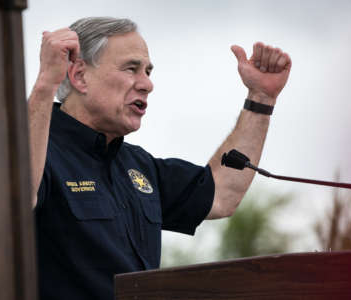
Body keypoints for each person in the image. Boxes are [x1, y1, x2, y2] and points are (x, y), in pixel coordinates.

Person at [28, 17, 291, 300]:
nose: (147, 84)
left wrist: (261, 98)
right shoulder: (37, 151)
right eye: (131, 68)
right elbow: (17, 197)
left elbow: (222, 195)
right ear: (79, 76)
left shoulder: (139, 166)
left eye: (148, 72)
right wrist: (45, 85)